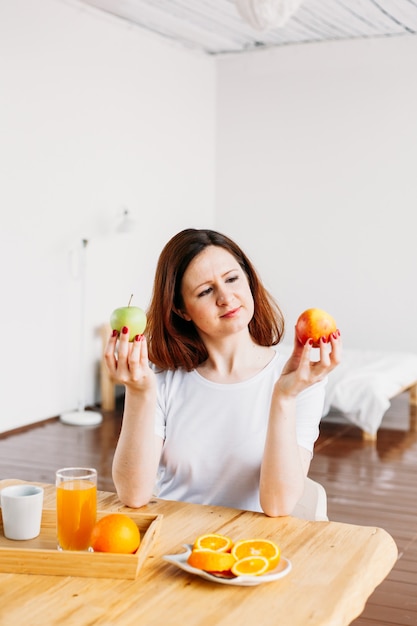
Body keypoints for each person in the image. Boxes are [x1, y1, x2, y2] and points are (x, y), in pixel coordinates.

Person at [105, 228, 342, 517]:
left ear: (249, 280)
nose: (227, 298)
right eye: (205, 291)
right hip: (174, 544)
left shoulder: (299, 381)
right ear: (182, 310)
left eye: (232, 279)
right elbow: (133, 494)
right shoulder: (162, 379)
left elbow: (278, 506)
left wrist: (284, 397)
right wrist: (140, 392)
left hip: (253, 554)